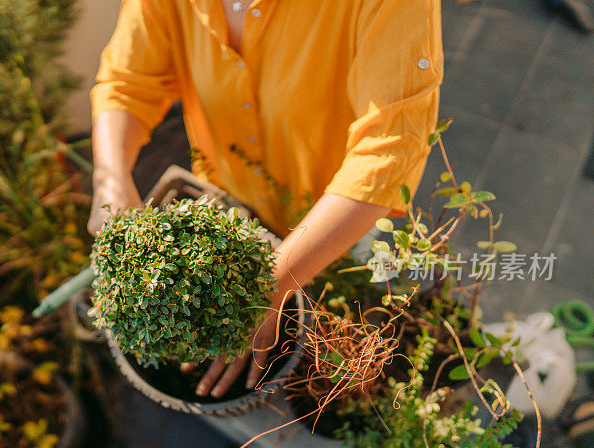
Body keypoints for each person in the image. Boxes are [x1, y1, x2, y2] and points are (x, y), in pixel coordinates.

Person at [87, 0, 444, 398]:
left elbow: (388, 152)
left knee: (344, 316)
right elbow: (129, 81)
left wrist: (271, 285)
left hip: (337, 220)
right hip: (226, 201)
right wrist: (110, 178)